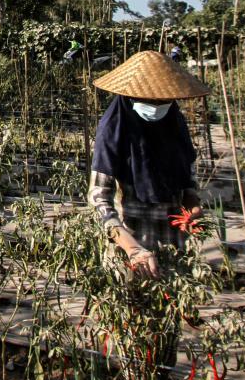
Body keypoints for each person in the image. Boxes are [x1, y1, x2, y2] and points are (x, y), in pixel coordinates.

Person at [87, 50, 210, 278]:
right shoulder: (114, 131)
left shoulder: (175, 127)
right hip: (130, 253)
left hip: (173, 245)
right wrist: (132, 248)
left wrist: (192, 205)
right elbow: (98, 198)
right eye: (148, 100)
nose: (155, 106)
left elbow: (187, 180)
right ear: (129, 97)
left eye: (162, 101)